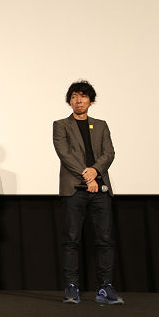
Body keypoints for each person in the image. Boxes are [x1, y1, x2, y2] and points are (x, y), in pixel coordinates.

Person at [53, 80, 123, 304]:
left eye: (83, 96)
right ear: (69, 101)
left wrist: (95, 171)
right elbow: (64, 154)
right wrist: (87, 176)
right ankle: (72, 287)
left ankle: (105, 287)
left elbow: (109, 153)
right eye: (74, 97)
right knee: (71, 240)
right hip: (74, 189)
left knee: (105, 240)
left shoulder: (101, 125)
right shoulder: (61, 125)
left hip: (101, 189)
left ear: (91, 101)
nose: (78, 101)